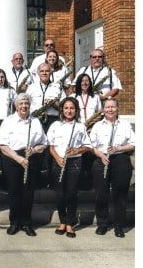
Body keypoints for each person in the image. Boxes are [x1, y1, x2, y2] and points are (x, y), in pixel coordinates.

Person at [0, 93, 48, 237]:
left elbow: (44, 143)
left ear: (30, 106)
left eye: (26, 104)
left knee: (28, 192)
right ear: (16, 106)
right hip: (12, 158)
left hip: (31, 158)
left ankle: (27, 223)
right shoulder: (8, 121)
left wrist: (35, 149)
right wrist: (18, 159)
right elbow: (1, 144)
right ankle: (14, 222)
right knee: (14, 191)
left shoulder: (36, 121)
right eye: (21, 104)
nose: (24, 106)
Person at [90, 98, 135, 238]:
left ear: (118, 108)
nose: (110, 109)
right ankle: (102, 224)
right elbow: (92, 146)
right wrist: (101, 155)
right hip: (101, 159)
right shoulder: (97, 126)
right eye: (107, 107)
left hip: (120, 159)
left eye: (113, 107)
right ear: (103, 110)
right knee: (101, 194)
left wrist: (119, 148)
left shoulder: (125, 124)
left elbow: (134, 144)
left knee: (120, 194)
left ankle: (118, 226)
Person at [47, 97, 92, 238]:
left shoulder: (80, 126)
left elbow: (88, 146)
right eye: (66, 108)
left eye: (72, 108)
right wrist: (58, 158)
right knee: (60, 195)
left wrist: (76, 151)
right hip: (58, 162)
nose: (69, 110)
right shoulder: (55, 125)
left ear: (76, 110)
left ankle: (69, 223)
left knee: (71, 194)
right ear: (62, 110)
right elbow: (51, 146)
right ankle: (62, 221)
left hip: (74, 164)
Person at [26, 62, 65, 187]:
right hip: (36, 119)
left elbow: (64, 107)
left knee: (50, 149)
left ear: (51, 72)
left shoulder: (57, 87)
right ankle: (36, 180)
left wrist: (55, 104)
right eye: (42, 71)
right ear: (38, 73)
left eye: (47, 71)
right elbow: (26, 105)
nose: (44, 73)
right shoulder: (31, 88)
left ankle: (50, 180)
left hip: (52, 120)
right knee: (37, 148)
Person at [70, 73, 102, 189]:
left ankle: (90, 182)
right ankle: (79, 183)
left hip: (91, 129)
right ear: (78, 83)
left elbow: (100, 113)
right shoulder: (74, 96)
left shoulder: (95, 97)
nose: (85, 83)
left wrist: (92, 124)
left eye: (87, 81)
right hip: (78, 129)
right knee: (79, 155)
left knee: (91, 156)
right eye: (82, 81)